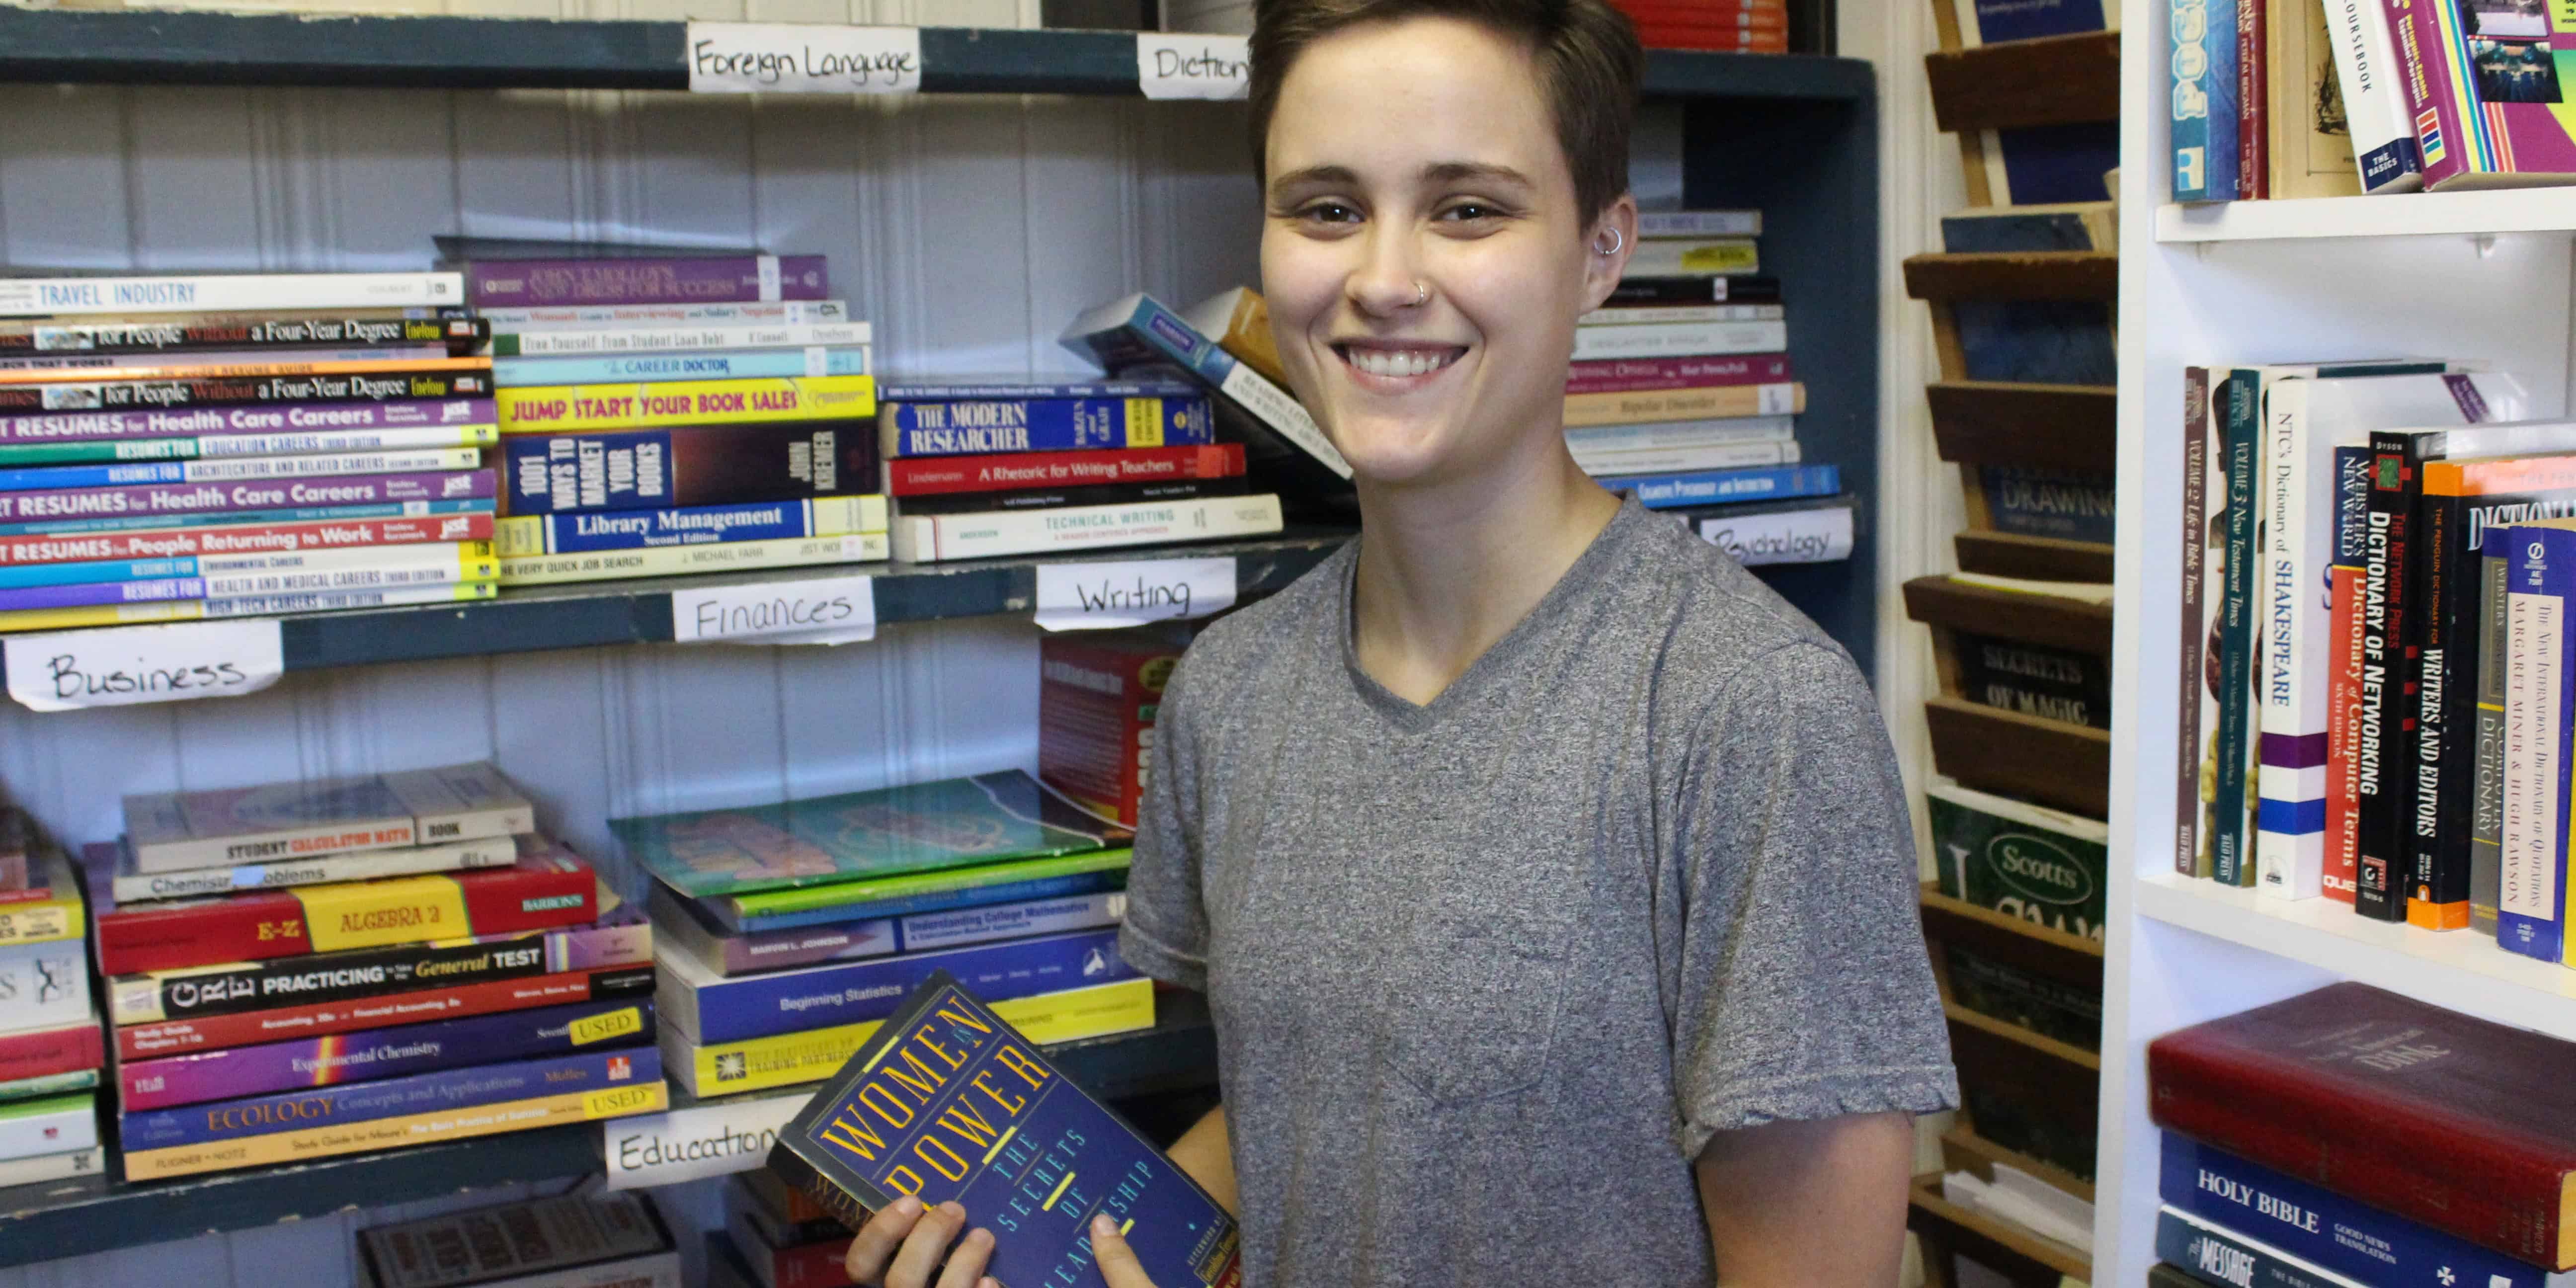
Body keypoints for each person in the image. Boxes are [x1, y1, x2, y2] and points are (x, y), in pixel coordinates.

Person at [845, 0, 1956, 1283]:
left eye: (1468, 209)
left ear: (1602, 250)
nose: (1382, 280)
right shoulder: (1231, 694)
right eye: (1326, 208)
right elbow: (1313, 1127)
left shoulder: (1750, 717)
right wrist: (1039, 1253)